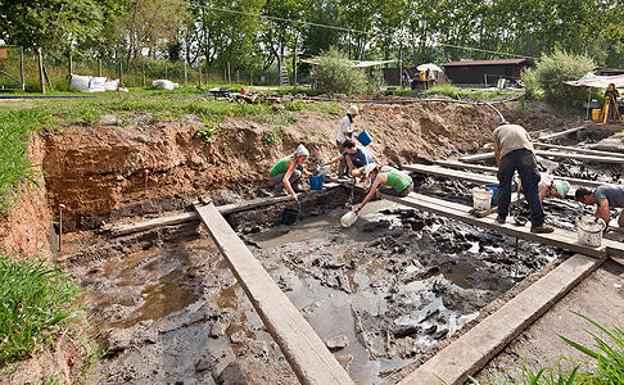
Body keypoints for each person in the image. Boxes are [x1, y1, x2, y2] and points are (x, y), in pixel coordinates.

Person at [493, 123, 554, 233]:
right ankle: (538, 224)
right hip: (526, 154)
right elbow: (530, 146)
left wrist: (501, 169)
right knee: (531, 189)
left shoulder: (497, 131)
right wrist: (529, 170)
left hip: (507, 155)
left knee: (504, 185)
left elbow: (497, 152)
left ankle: (501, 216)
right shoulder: (520, 127)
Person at [336, 105, 359, 176]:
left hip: (345, 141)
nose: (355, 116)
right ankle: (340, 174)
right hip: (342, 141)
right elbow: (345, 132)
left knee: (348, 157)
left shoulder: (349, 119)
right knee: (344, 157)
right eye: (355, 114)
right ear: (352, 113)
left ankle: (346, 173)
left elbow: (348, 131)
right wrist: (353, 130)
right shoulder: (346, 120)